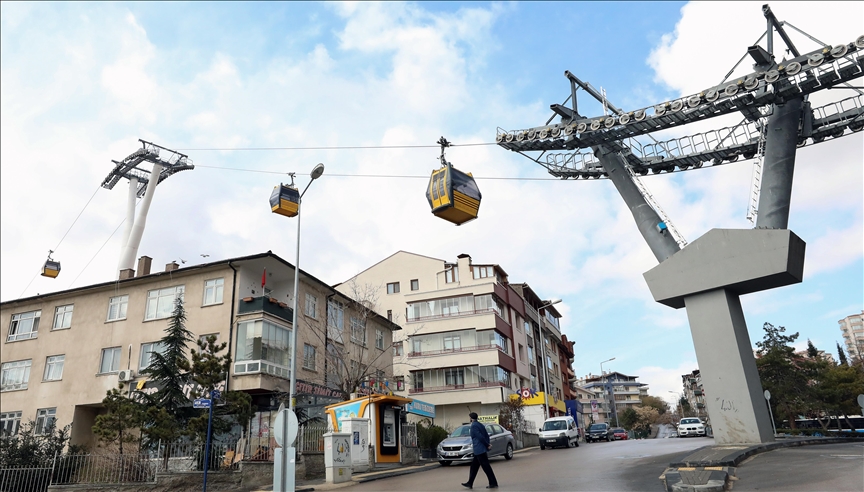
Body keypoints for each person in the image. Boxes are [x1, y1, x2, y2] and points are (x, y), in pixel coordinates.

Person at [461, 412, 498, 489]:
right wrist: (487, 443)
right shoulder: (480, 425)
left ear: (471, 418)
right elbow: (486, 435)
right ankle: (470, 483)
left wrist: (487, 445)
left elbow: (480, 437)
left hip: (479, 449)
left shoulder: (474, 426)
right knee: (474, 467)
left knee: (486, 467)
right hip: (481, 449)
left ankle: (493, 483)